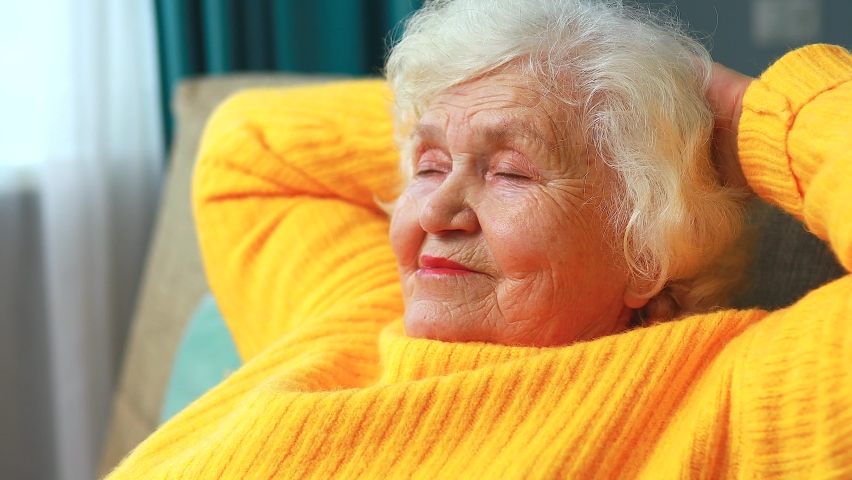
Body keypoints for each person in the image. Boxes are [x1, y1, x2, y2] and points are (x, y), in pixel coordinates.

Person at [106, 0, 852, 477]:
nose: (437, 212)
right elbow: (249, 148)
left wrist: (751, 115)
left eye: (513, 176)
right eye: (424, 169)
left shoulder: (716, 401)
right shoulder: (360, 309)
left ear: (645, 247)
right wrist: (485, 113)